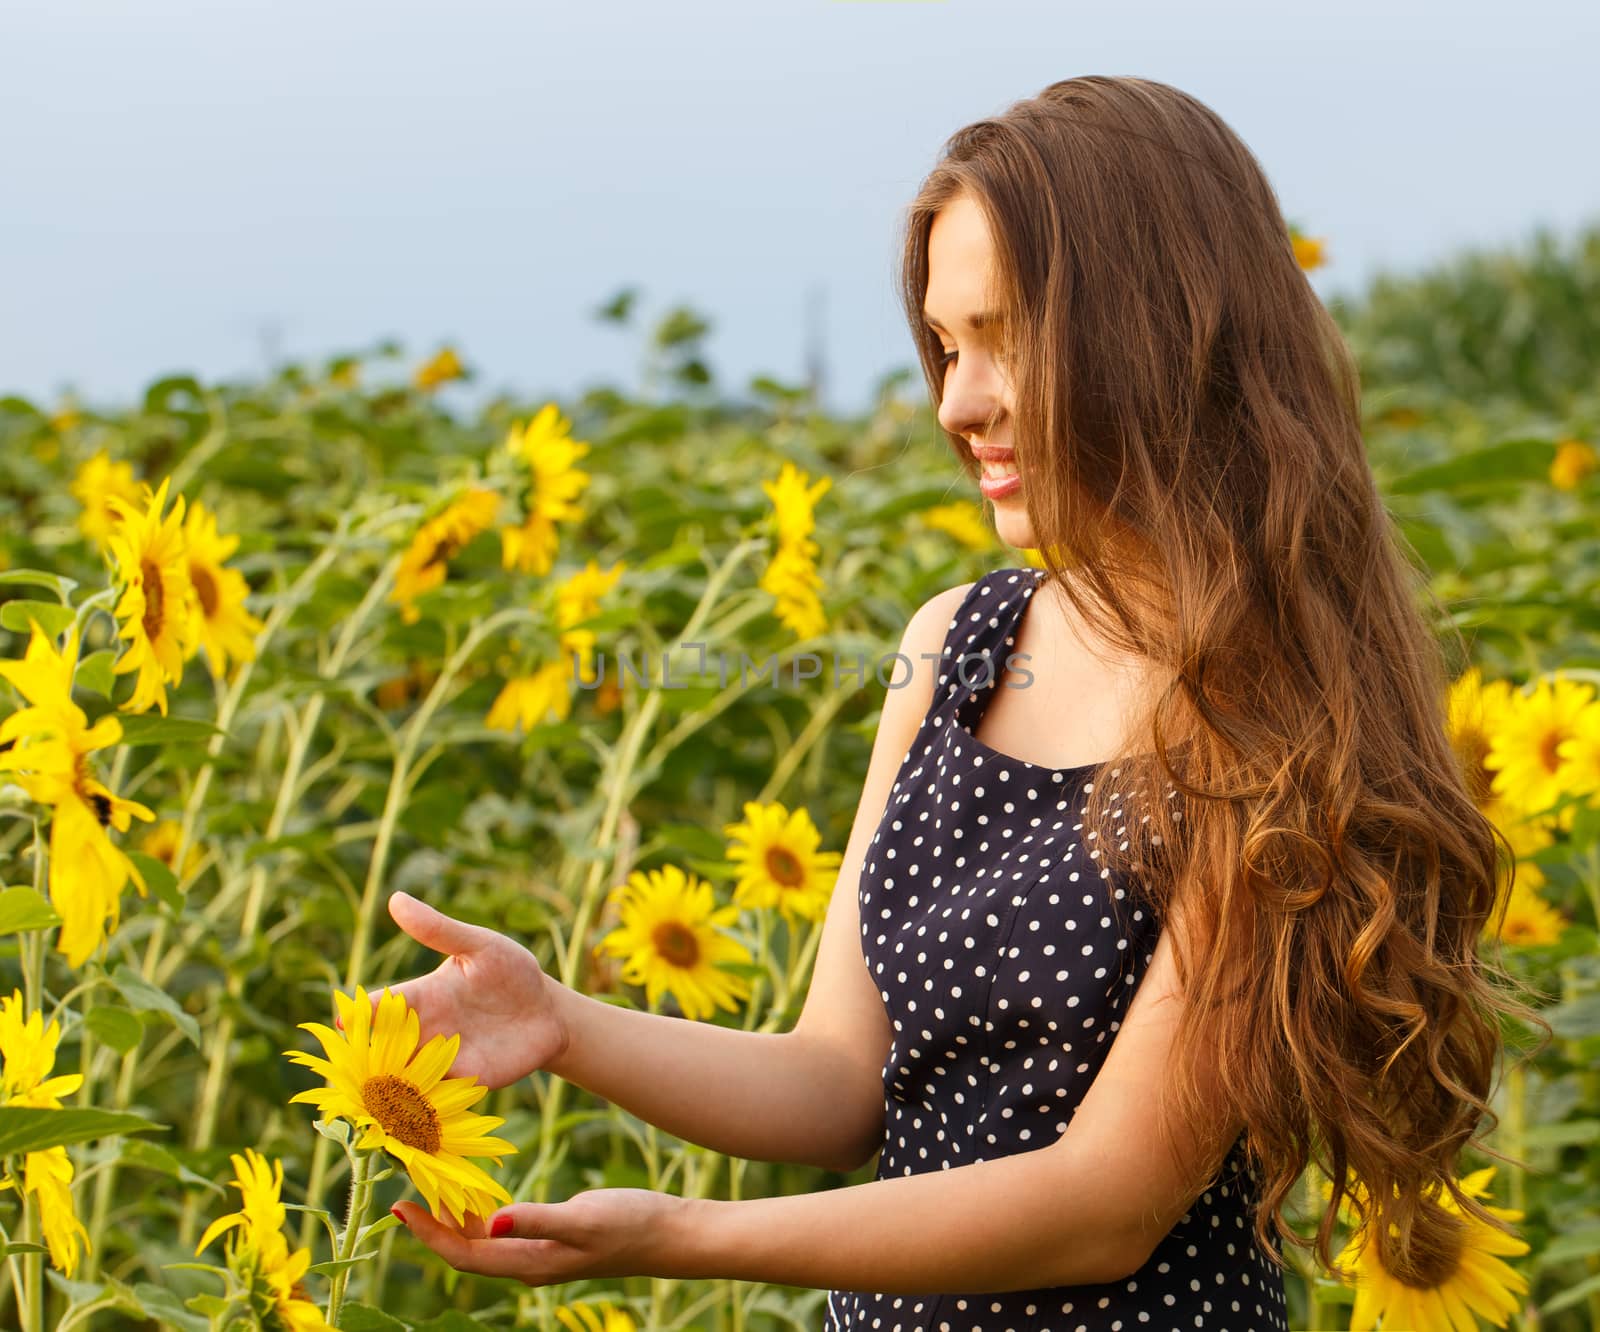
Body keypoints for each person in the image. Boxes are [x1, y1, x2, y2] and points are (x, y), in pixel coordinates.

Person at [364, 76, 1528, 1331]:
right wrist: (559, 1024)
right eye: (946, 343)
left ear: (1157, 332)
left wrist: (681, 1235)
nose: (954, 404)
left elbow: (1105, 1199)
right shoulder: (962, 645)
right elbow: (836, 1082)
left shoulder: (1270, 711)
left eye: (1005, 339)